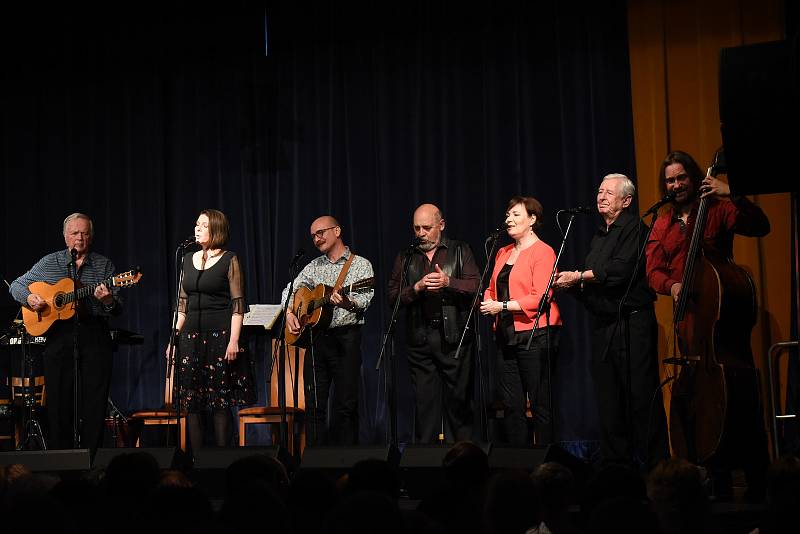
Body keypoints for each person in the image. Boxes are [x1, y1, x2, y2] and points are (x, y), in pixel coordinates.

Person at [645, 150, 770, 499]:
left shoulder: (716, 208)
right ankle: (714, 480)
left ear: (695, 177)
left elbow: (760, 226)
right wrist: (672, 285)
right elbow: (652, 270)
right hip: (688, 327)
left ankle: (757, 484)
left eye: (682, 177)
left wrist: (731, 191)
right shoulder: (662, 224)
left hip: (721, 329)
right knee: (696, 401)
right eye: (670, 180)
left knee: (741, 408)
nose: (676, 184)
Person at [554, 174, 668, 470]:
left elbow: (620, 271)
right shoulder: (598, 236)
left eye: (609, 193)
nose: (601, 196)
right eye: (599, 191)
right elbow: (596, 281)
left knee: (642, 398)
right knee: (609, 402)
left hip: (633, 325)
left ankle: (658, 468)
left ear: (626, 201)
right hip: (604, 326)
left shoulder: (635, 229)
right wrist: (574, 286)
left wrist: (580, 276)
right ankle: (618, 470)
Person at [10, 213, 122, 451]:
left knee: (94, 401)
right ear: (65, 237)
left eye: (84, 233)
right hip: (58, 337)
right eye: (74, 233)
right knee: (59, 401)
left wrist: (108, 299)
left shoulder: (104, 265)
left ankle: (92, 459)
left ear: (91, 237)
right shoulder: (50, 262)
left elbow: (116, 309)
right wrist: (29, 298)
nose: (79, 238)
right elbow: (17, 285)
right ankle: (61, 458)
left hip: (94, 335)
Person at [387, 204, 480, 444]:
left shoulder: (460, 250)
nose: (421, 233)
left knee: (458, 405)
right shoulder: (406, 256)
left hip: (454, 339)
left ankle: (461, 458)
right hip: (420, 340)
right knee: (425, 408)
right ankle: (426, 465)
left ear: (441, 225)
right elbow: (392, 297)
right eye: (417, 228)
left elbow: (476, 287)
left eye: (427, 228)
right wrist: (416, 288)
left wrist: (449, 282)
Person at [166, 209, 255, 449]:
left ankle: (222, 460)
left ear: (216, 229)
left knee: (219, 402)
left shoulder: (229, 259)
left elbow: (238, 305)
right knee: (192, 403)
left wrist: (234, 340)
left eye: (203, 225)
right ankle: (196, 460)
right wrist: (173, 340)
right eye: (196, 224)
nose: (197, 228)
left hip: (220, 336)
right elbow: (182, 305)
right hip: (190, 338)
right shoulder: (187, 259)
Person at [283, 215, 374, 445]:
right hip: (317, 340)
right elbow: (289, 291)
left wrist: (346, 302)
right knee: (314, 406)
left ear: (337, 230)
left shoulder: (360, 265)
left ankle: (346, 462)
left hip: (346, 340)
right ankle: (315, 462)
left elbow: (364, 299)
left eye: (321, 232)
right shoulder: (314, 267)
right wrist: (290, 313)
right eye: (313, 235)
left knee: (345, 406)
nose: (316, 238)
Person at [481, 196, 562, 446]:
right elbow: (491, 287)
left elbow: (540, 297)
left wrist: (502, 306)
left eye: (516, 214)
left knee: (539, 403)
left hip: (536, 334)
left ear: (532, 219)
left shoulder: (543, 251)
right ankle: (519, 460)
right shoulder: (503, 252)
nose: (509, 219)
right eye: (507, 215)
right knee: (512, 405)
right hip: (506, 335)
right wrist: (488, 302)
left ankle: (545, 459)